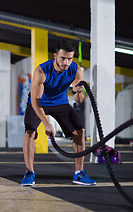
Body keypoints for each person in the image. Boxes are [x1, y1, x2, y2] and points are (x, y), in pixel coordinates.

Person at [22, 41, 96, 186]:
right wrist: (46, 123)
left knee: (79, 130)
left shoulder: (76, 70)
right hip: (39, 102)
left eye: (70, 58)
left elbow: (78, 100)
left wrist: (79, 93)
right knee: (30, 131)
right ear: (55, 56)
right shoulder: (42, 71)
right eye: (63, 58)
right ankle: (29, 172)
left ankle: (78, 173)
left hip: (60, 102)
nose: (66, 62)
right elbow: (35, 100)